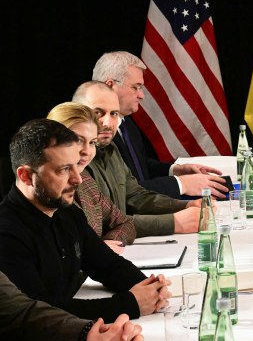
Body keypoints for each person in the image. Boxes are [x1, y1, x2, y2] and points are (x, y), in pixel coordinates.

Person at [0, 119, 171, 322]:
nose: (77, 179)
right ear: (26, 176)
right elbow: (39, 311)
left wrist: (149, 288)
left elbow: (107, 265)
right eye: (63, 169)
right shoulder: (6, 233)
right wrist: (131, 304)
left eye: (76, 166)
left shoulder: (68, 212)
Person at [92, 51, 228, 199]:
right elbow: (124, 193)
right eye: (136, 87)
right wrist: (181, 184)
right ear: (110, 85)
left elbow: (140, 168)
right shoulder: (94, 132)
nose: (141, 95)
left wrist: (175, 170)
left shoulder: (126, 123)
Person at [73, 81, 201, 237]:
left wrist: (186, 205)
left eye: (114, 114)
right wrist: (174, 222)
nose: (107, 123)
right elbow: (105, 226)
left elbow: (135, 197)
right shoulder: (74, 163)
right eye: (98, 113)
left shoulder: (112, 149)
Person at [47, 102, 137, 253]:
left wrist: (107, 245)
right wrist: (97, 250)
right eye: (78, 140)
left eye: (92, 142)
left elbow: (125, 223)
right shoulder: (41, 190)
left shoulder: (87, 183)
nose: (87, 152)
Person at [0, 270, 144, 341]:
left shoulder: (72, 216)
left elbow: (21, 311)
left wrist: (87, 334)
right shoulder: (8, 227)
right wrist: (129, 304)